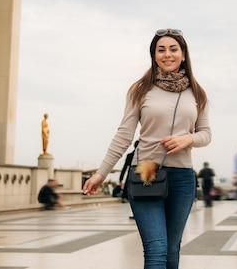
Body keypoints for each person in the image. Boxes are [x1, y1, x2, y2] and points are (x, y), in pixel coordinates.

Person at [82, 28, 211, 269]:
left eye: (173, 49)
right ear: (153, 55)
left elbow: (206, 134)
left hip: (183, 176)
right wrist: (101, 173)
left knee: (172, 250)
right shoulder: (140, 90)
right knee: (156, 249)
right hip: (146, 171)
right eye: (161, 50)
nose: (167, 54)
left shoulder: (197, 93)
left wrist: (188, 139)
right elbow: (123, 135)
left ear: (183, 54)